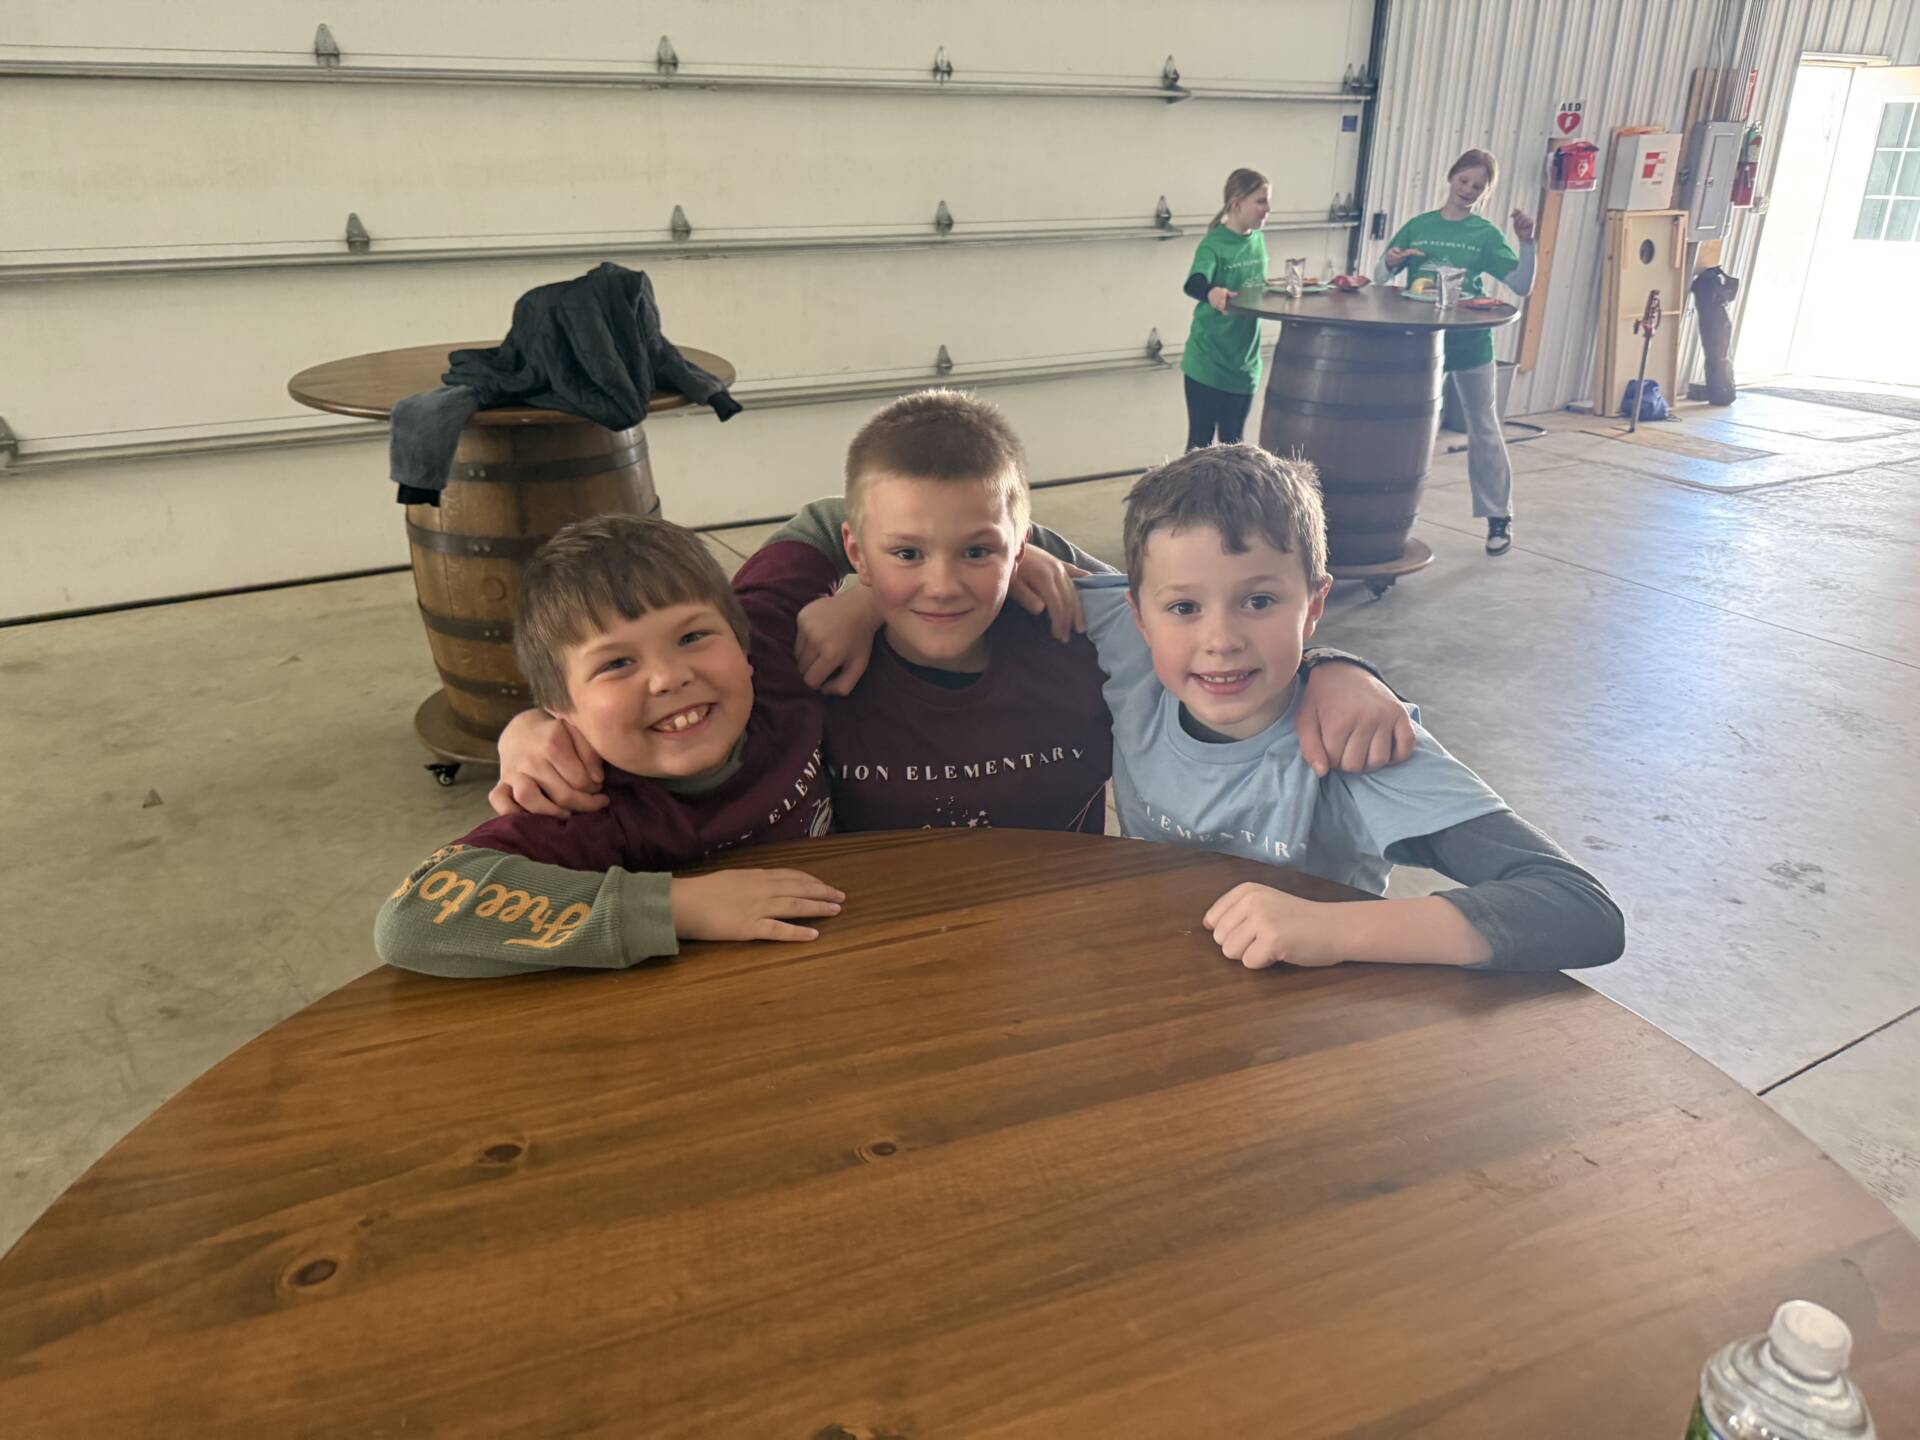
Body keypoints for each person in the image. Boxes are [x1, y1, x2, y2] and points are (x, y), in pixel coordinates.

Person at [490, 390, 1417, 832]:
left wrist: (1340, 666)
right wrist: (532, 725)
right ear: (856, 551)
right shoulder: (781, 640)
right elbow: (632, 663)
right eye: (903, 556)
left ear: (1028, 550)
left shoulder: (1077, 618)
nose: (941, 584)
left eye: (980, 551)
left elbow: (1212, 615)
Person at [1066, 442, 1623, 972]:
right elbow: (996, 529)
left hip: (1310, 1026)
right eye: (1184, 607)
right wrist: (1036, 564)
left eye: (1259, 601)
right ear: (1138, 616)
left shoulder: (1357, 742)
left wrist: (1332, 929)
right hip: (1156, 983)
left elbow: (1579, 910)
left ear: (1314, 606)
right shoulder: (1129, 643)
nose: (1221, 639)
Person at [372, 516, 847, 978]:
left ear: (742, 642)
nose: (669, 676)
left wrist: (866, 598)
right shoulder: (588, 798)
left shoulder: (771, 640)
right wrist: (677, 908)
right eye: (617, 663)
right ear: (562, 710)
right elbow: (412, 917)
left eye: (693, 636)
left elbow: (833, 517)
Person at [1377, 148, 1537, 555]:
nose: (1468, 191)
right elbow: (1380, 276)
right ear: (1451, 178)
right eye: (1464, 181)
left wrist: (1527, 243)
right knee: (1403, 428)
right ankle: (1384, 515)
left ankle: (1499, 516)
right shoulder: (1419, 226)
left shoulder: (1484, 235)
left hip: (1469, 341)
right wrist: (1391, 261)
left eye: (1477, 187)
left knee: (1483, 426)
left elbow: (1520, 285)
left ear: (1486, 193)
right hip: (1420, 341)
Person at [1180, 168, 1272, 452]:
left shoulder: (1257, 240)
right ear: (1236, 204)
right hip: (1208, 362)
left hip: (1243, 365)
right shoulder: (1213, 244)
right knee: (1200, 448)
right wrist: (1211, 292)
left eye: (1268, 201)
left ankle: (1227, 499)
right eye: (1260, 201)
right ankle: (1190, 498)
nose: (1267, 209)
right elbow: (1193, 283)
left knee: (1233, 450)